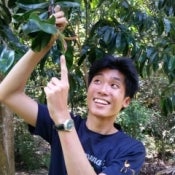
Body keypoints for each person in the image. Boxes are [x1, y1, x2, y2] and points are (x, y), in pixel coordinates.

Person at [0, 6, 145, 175]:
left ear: (126, 101)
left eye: (114, 85)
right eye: (97, 81)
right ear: (88, 89)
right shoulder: (61, 121)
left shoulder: (131, 150)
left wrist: (62, 117)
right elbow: (8, 93)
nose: (103, 90)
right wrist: (44, 44)